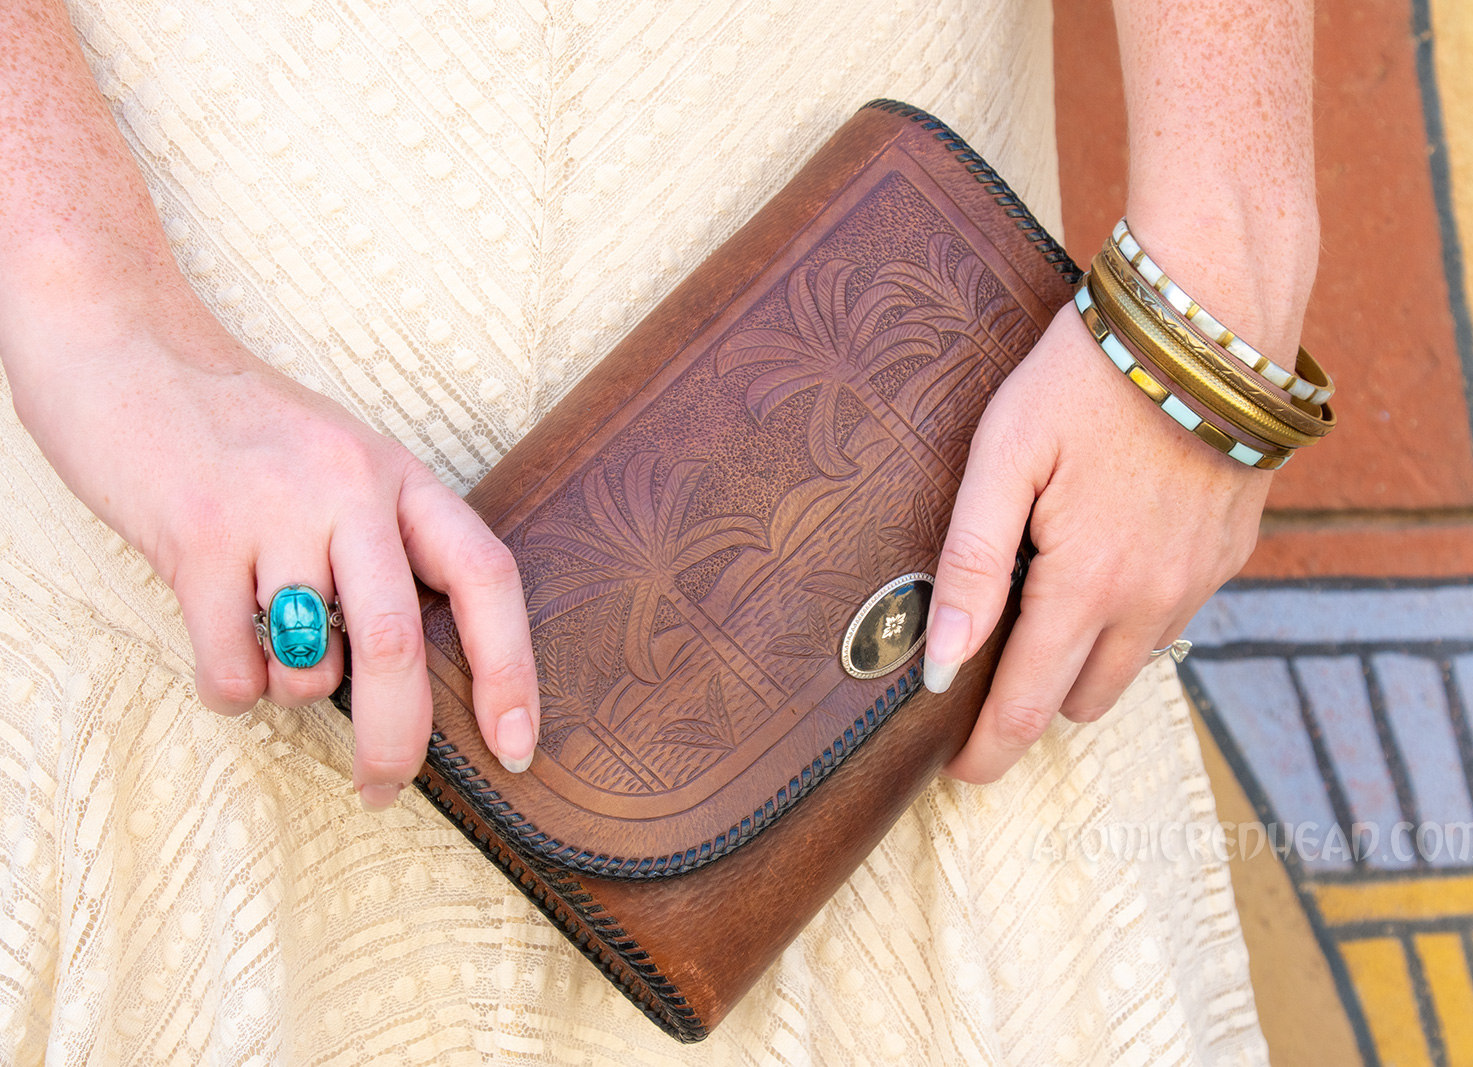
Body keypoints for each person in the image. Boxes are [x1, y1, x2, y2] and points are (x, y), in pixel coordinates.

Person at [0, 0, 1312, 1061]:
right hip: (172, 443)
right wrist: (90, 303)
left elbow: (1221, 252)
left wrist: (1217, 294)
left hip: (931, 471)